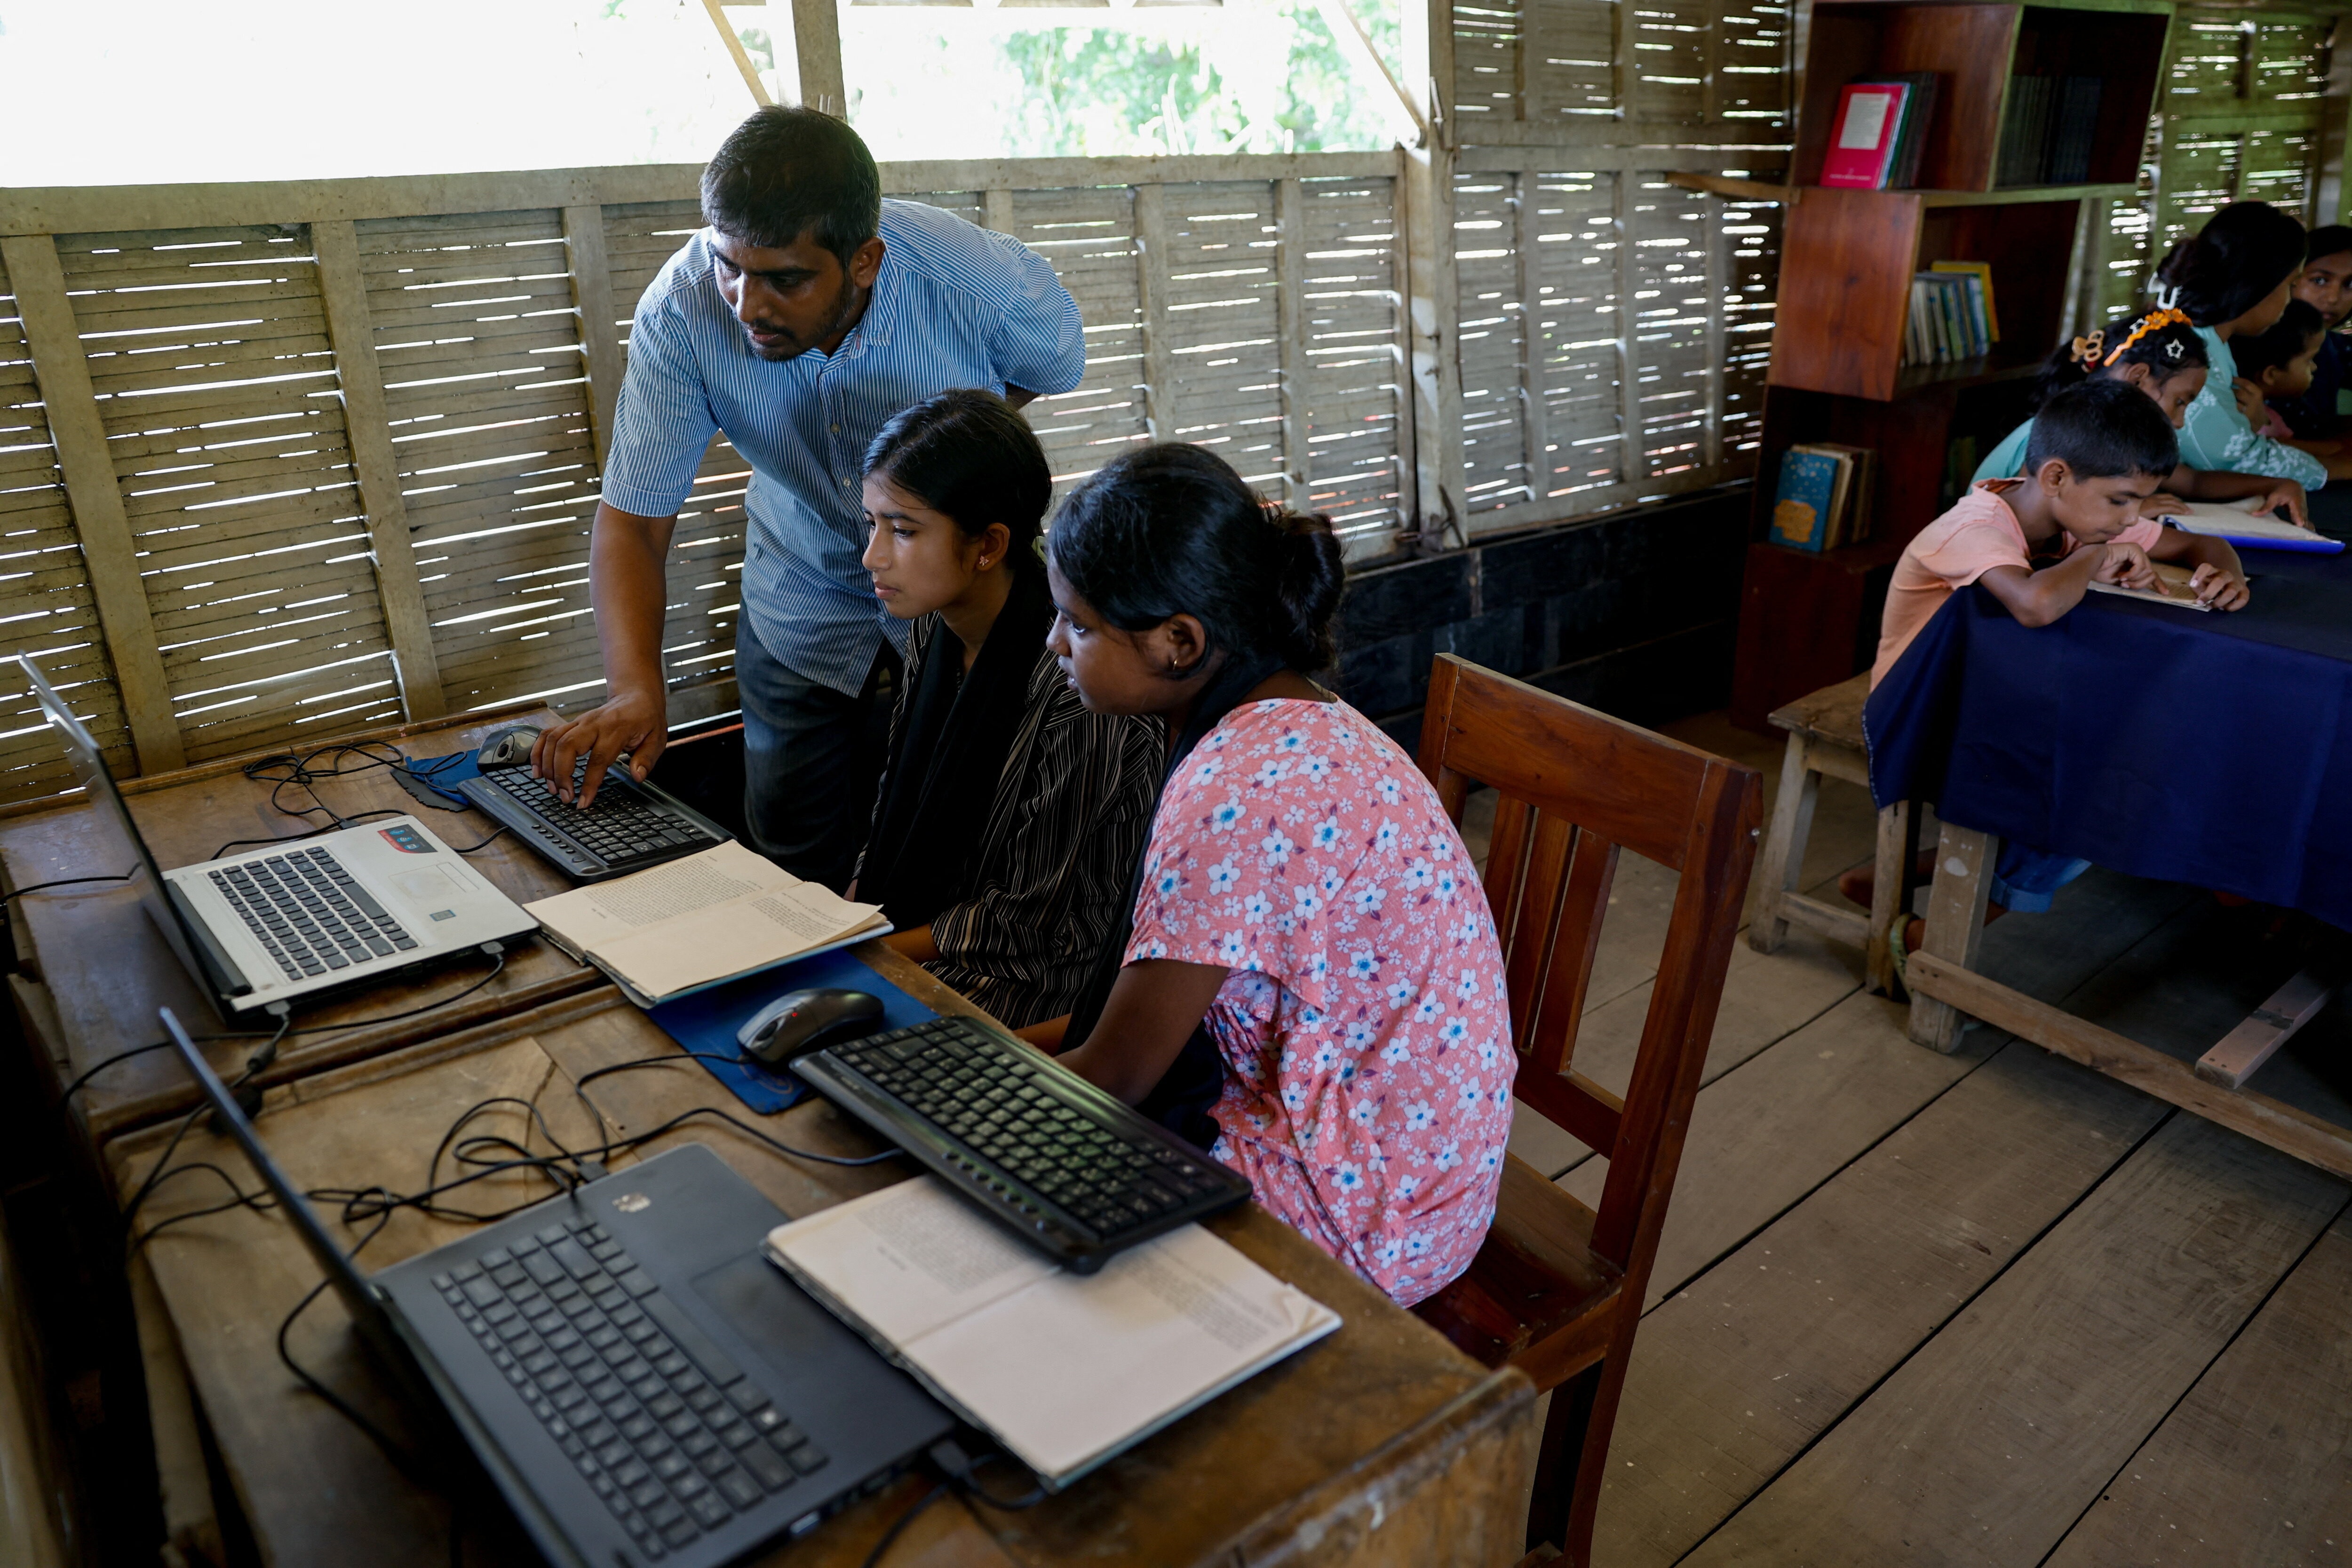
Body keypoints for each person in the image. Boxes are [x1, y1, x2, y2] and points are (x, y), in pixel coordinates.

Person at [529, 107, 1086, 891]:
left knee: (970, 842)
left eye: (785, 279)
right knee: (790, 864)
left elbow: (1052, 369)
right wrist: (636, 688)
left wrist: (943, 463)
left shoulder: (976, 281)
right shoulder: (683, 309)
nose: (747, 305)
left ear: (864, 261)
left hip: (957, 595)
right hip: (800, 589)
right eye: (730, 267)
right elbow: (635, 519)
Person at [1038, 444, 1513, 1309]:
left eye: (1079, 624)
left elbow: (1116, 1078)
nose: (1055, 644)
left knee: (1024, 1251)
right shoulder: (1291, 712)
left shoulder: (1238, 795)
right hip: (1418, 1165)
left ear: (1179, 642)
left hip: (1368, 1217)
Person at [1864, 379, 2248, 942]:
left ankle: (1904, 879)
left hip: (1988, 698)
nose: (2130, 519)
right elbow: (2035, 605)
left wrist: (2227, 575)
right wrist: (2095, 556)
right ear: (2054, 478)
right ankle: (1941, 935)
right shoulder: (1973, 528)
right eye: (2120, 500)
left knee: (2123, 748)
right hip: (1917, 712)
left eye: (2139, 502)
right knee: (2111, 780)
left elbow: (2199, 545)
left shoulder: (2076, 514)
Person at [851, 390, 1162, 1028]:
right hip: (927, 937)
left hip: (1039, 973)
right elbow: (894, 803)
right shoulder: (933, 628)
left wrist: (855, 953)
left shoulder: (1079, 680)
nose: (873, 556)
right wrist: (841, 923)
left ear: (988, 546)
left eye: (903, 531)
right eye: (872, 524)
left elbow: (1027, 919)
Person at [1969, 306, 2307, 522]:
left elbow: (2192, 481)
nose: (2179, 422)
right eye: (2180, 401)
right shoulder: (2066, 432)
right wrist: (2131, 510)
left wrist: (2279, 483)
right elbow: (2036, 516)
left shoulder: (2115, 434)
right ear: (2137, 379)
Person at [2159, 201, 2352, 490]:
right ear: (2258, 287)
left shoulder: (2208, 341)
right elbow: (2236, 462)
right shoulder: (2191, 357)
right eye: (2290, 285)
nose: (2290, 300)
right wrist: (2341, 467)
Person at [2272, 224, 2352, 440]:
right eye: (2319, 280)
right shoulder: (2258, 347)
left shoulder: (2333, 345)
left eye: (2350, 284)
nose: (2333, 298)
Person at [2234, 300, 2332, 451]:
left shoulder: (2271, 416)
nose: (2315, 367)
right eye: (2309, 360)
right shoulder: (2246, 423)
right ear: (2271, 375)